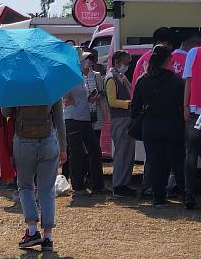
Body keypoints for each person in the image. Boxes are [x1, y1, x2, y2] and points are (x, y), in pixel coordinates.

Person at [1, 101, 67, 252]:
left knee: (25, 186)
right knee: (47, 189)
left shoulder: (16, 83)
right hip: (48, 141)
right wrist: (63, 147)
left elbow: (5, 112)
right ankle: (48, 237)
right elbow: (59, 120)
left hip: (23, 141)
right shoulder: (51, 85)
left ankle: (32, 231)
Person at [131, 44, 185, 205]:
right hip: (173, 125)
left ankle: (158, 197)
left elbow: (135, 109)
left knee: (154, 162)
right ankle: (186, 194)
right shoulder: (176, 81)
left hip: (150, 127)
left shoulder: (143, 80)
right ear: (168, 60)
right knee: (177, 162)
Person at [62, 49, 106, 196]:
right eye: (84, 60)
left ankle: (97, 185)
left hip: (84, 117)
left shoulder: (79, 76)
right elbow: (64, 94)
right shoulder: (69, 75)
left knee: (94, 150)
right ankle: (78, 186)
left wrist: (88, 100)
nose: (87, 62)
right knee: (76, 152)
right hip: (73, 118)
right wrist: (68, 98)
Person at [181, 41, 201, 209]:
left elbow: (189, 82)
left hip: (195, 110)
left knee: (191, 153)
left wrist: (185, 106)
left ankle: (189, 194)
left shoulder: (194, 52)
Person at [106, 50, 137, 198]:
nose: (127, 66)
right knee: (121, 153)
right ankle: (118, 185)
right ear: (117, 62)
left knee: (128, 153)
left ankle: (124, 183)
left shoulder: (121, 77)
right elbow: (112, 101)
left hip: (127, 118)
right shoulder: (111, 79)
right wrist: (128, 104)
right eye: (125, 63)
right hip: (119, 119)